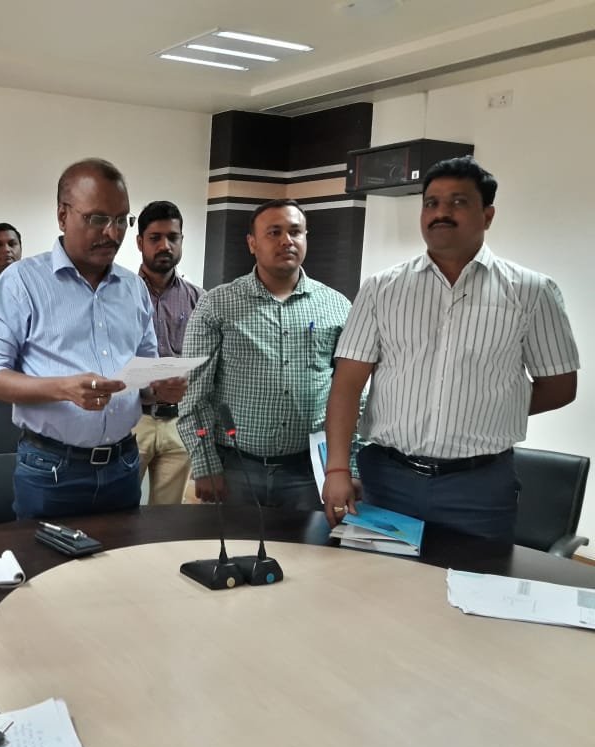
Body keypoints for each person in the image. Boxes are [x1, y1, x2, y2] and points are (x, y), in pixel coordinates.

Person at [323, 156, 579, 541]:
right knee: (379, 576)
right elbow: (346, 384)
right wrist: (338, 469)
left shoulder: (532, 292)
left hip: (480, 487)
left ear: (487, 215)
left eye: (458, 202)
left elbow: (559, 386)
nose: (441, 212)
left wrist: (486, 407)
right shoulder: (381, 289)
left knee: (472, 578)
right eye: (431, 203)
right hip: (390, 479)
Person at [0, 158, 186, 519]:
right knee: (45, 558)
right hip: (51, 469)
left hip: (123, 465)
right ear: (63, 216)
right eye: (97, 219)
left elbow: (142, 377)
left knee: (123, 555)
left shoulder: (133, 288)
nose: (112, 233)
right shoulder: (21, 282)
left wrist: (159, 387)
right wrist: (63, 388)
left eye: (121, 220)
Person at [178, 199, 354, 510]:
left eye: (295, 232)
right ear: (252, 243)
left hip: (310, 470)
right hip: (236, 468)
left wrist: (348, 465)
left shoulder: (337, 306)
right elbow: (194, 392)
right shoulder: (217, 305)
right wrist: (205, 464)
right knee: (234, 542)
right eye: (274, 232)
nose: (287, 240)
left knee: (307, 543)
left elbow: (354, 392)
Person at [132, 201, 203, 504]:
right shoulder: (120, 295)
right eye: (155, 238)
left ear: (182, 240)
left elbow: (206, 362)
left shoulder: (199, 298)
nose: (165, 245)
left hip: (179, 423)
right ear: (140, 242)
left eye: (173, 237)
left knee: (168, 517)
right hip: (133, 420)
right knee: (119, 510)